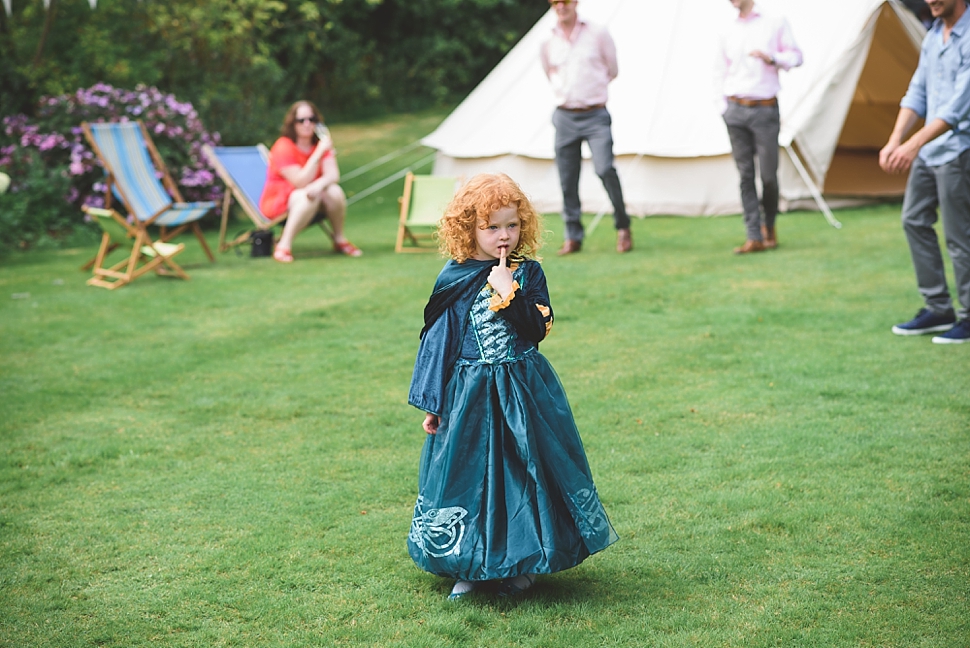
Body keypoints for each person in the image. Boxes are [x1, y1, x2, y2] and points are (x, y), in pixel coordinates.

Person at [406, 173, 618, 600]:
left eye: (512, 225)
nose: (504, 236)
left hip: (522, 391)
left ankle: (523, 563)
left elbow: (537, 328)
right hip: (468, 396)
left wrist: (510, 292)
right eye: (492, 227)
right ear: (469, 229)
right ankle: (471, 565)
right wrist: (435, 401)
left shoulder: (528, 272)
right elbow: (439, 342)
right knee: (470, 476)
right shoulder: (455, 277)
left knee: (522, 473)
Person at [880, 0, 970, 344]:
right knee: (914, 220)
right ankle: (938, 308)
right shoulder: (933, 36)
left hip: (958, 151)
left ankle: (969, 316)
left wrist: (911, 145)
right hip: (928, 149)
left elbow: (957, 108)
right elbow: (917, 90)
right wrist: (894, 140)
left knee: (959, 236)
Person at [540, 0, 632, 255]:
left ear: (575, 3)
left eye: (565, 1)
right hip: (565, 115)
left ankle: (623, 226)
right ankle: (573, 236)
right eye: (555, 2)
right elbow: (550, 73)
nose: (560, 6)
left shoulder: (598, 33)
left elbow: (613, 69)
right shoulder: (547, 41)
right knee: (567, 179)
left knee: (604, 168)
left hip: (595, 114)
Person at [715, 0, 803, 254]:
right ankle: (753, 235)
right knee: (744, 176)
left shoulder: (774, 21)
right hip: (735, 109)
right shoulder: (725, 28)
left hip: (765, 109)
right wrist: (723, 108)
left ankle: (769, 225)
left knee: (768, 176)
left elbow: (797, 56)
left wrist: (772, 58)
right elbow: (718, 70)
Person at [259, 100, 361, 263]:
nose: (307, 124)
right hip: (281, 201)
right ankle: (283, 246)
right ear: (293, 123)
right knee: (307, 194)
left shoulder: (319, 143)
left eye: (311, 119)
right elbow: (300, 181)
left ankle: (339, 240)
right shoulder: (283, 146)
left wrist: (318, 184)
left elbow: (333, 174)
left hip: (313, 196)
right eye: (301, 120)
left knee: (334, 190)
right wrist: (319, 152)